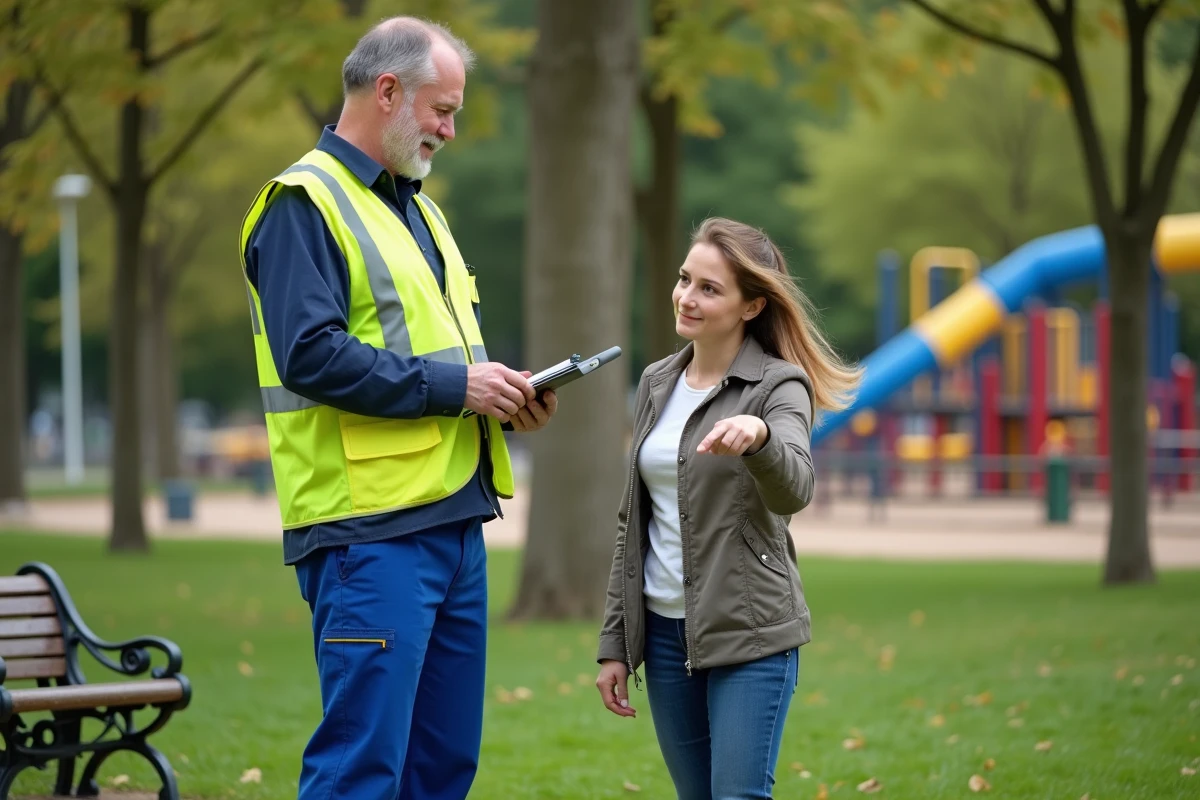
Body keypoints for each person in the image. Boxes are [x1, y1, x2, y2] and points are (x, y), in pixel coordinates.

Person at [237, 17, 556, 800]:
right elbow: (310, 356)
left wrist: (503, 397)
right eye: (442, 110)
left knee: (442, 771)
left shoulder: (420, 209)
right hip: (367, 536)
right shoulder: (301, 203)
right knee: (361, 773)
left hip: (451, 526)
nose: (450, 129)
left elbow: (436, 353)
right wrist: (460, 391)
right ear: (388, 92)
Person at [595, 218, 860, 799]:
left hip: (751, 633)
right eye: (686, 279)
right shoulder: (656, 383)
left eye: (709, 288)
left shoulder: (778, 387)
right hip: (664, 638)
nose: (687, 297)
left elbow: (795, 490)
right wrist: (616, 644)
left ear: (751, 306)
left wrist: (761, 438)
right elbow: (631, 526)